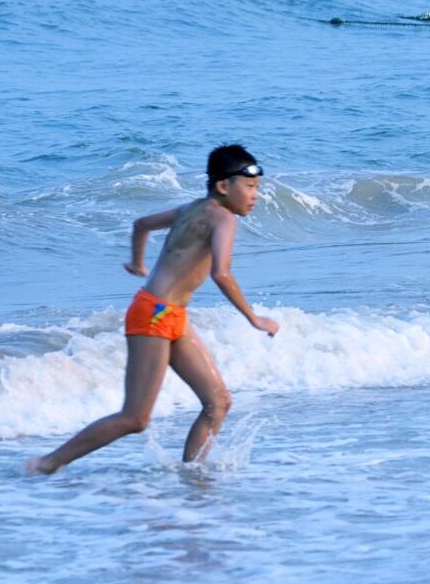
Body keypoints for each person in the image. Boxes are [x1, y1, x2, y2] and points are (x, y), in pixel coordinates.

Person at [24, 144, 280, 475]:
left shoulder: (190, 209)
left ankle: (193, 477)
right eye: (249, 186)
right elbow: (221, 273)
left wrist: (138, 262)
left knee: (218, 402)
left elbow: (141, 224)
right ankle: (46, 463)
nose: (255, 195)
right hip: (156, 314)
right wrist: (253, 317)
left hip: (166, 313)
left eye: (256, 187)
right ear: (223, 186)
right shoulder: (223, 218)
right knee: (135, 418)